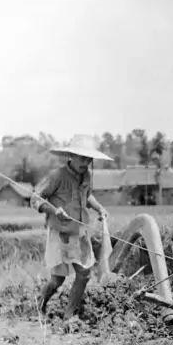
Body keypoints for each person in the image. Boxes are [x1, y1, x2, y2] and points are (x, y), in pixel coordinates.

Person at [30, 134, 112, 321]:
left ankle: (69, 315)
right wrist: (52, 209)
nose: (86, 162)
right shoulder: (57, 176)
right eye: (82, 158)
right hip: (61, 234)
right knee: (57, 279)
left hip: (80, 232)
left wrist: (99, 208)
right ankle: (40, 304)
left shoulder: (87, 176)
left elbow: (87, 196)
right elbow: (35, 198)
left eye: (89, 159)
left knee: (84, 274)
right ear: (71, 156)